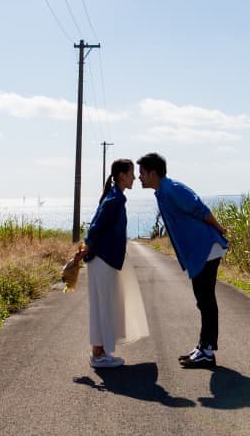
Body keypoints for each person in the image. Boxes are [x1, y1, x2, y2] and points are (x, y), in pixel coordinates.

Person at [137, 151, 227, 368]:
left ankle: (207, 351)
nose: (139, 177)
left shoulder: (172, 189)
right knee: (202, 299)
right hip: (199, 252)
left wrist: (219, 228)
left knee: (206, 300)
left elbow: (200, 208)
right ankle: (203, 346)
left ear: (153, 173)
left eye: (142, 173)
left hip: (206, 248)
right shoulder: (163, 191)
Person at [78, 158, 148, 369]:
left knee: (102, 306)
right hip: (103, 260)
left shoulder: (115, 197)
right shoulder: (114, 200)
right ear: (121, 176)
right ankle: (99, 355)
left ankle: (99, 352)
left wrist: (84, 251)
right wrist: (83, 251)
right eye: (131, 173)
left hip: (103, 260)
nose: (134, 177)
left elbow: (96, 227)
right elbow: (95, 228)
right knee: (104, 306)